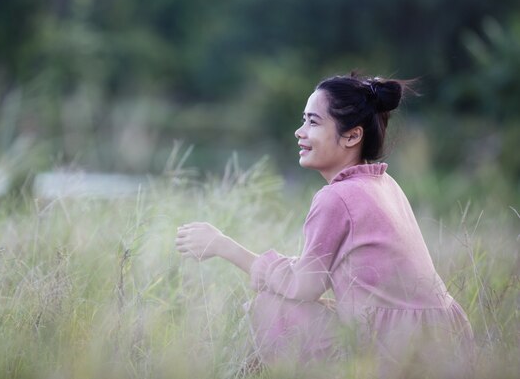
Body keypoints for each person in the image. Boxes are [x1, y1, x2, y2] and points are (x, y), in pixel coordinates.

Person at [174, 74, 474, 376]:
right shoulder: (383, 183)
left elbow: (304, 286)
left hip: (393, 353)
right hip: (442, 344)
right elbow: (316, 274)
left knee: (269, 308)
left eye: (313, 123)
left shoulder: (336, 197)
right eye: (303, 120)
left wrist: (223, 246)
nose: (299, 132)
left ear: (352, 136)